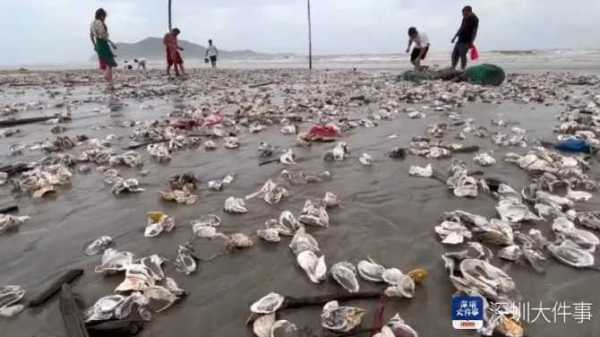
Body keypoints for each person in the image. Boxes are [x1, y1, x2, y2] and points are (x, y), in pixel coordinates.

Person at [90, 8, 118, 89]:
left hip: (98, 44)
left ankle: (110, 84)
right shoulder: (99, 23)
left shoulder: (92, 23)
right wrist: (111, 43)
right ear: (101, 15)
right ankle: (108, 78)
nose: (105, 17)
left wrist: (94, 45)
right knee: (110, 64)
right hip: (103, 44)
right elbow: (103, 36)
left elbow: (91, 35)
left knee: (108, 64)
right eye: (104, 16)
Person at [451, 5, 479, 70]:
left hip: (467, 41)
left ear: (470, 12)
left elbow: (475, 31)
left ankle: (463, 69)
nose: (464, 15)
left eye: (465, 14)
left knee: (462, 55)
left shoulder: (475, 19)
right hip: (460, 39)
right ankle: (453, 67)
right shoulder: (464, 18)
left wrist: (471, 42)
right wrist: (455, 37)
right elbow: (461, 27)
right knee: (454, 54)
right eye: (463, 14)